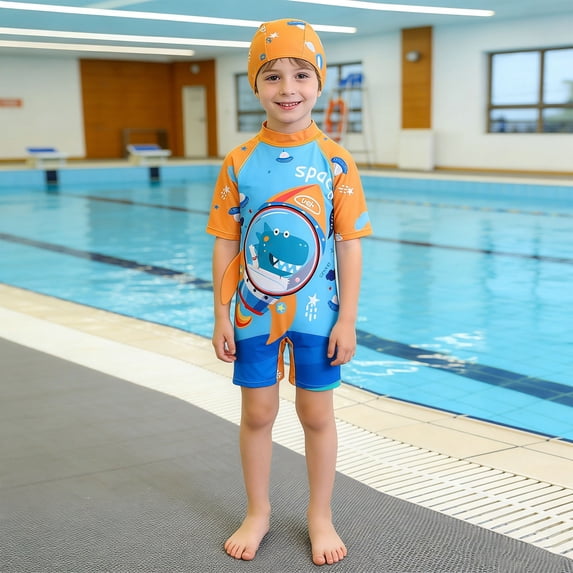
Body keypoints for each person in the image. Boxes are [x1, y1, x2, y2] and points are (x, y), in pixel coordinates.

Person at [206, 18, 372, 566]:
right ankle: (258, 511)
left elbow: (349, 244)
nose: (287, 88)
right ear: (255, 85)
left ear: (319, 82)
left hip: (318, 316)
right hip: (253, 314)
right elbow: (226, 242)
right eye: (272, 75)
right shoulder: (239, 161)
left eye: (301, 74)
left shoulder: (335, 160)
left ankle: (320, 515)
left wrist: (347, 319)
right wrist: (221, 315)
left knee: (317, 416)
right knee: (257, 414)